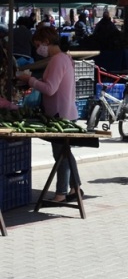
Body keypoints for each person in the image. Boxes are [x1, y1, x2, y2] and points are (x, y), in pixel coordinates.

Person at [16, 27, 82, 202]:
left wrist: (29, 80)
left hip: (60, 114)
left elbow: (50, 89)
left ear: (46, 42)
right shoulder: (65, 58)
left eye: (38, 45)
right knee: (65, 153)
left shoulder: (57, 60)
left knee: (61, 154)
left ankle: (61, 194)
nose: (38, 49)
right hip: (67, 112)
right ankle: (75, 188)